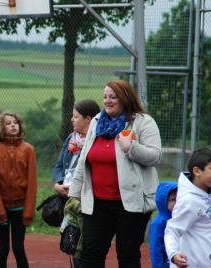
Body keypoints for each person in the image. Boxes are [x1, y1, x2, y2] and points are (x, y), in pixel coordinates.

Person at [68, 80, 162, 268]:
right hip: (97, 204)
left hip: (130, 204)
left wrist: (131, 147)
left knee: (127, 255)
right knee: (90, 256)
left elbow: (155, 156)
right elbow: (83, 161)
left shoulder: (143, 122)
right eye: (105, 97)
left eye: (113, 97)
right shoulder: (96, 122)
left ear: (125, 98)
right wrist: (73, 195)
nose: (108, 101)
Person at [52, 100, 100, 267]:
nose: (72, 120)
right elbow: (59, 165)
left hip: (85, 200)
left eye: (75, 116)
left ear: (88, 119)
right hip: (69, 199)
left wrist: (77, 188)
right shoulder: (71, 139)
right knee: (71, 242)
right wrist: (58, 184)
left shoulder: (97, 141)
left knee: (85, 248)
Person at [0, 112, 37, 268]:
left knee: (18, 248)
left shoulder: (28, 149)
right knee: (3, 248)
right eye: (8, 123)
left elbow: (32, 182)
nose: (13, 125)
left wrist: (29, 210)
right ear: (1, 127)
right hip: (1, 206)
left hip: (20, 207)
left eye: (15, 122)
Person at [164, 148, 211, 268]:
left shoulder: (206, 193)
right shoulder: (189, 201)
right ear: (197, 171)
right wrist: (174, 254)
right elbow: (172, 229)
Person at [149, 181, 178, 268]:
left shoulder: (181, 218)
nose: (176, 202)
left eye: (178, 198)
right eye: (173, 199)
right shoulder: (158, 223)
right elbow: (156, 249)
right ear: (163, 201)